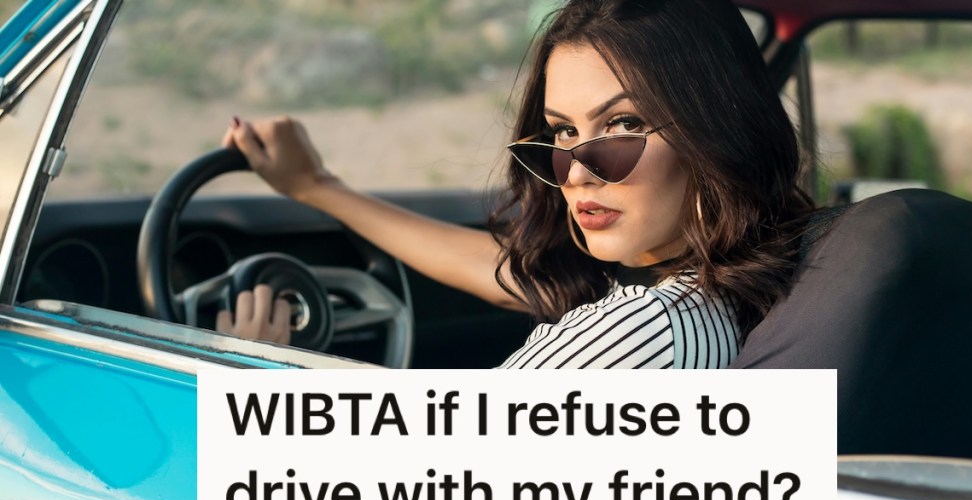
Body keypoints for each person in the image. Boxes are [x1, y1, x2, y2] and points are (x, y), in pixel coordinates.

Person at [216, 0, 814, 368]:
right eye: (560, 132)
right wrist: (317, 186)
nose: (576, 172)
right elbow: (518, 276)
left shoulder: (638, 334)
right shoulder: (745, 295)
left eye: (622, 125)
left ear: (718, 133)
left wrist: (252, 371)